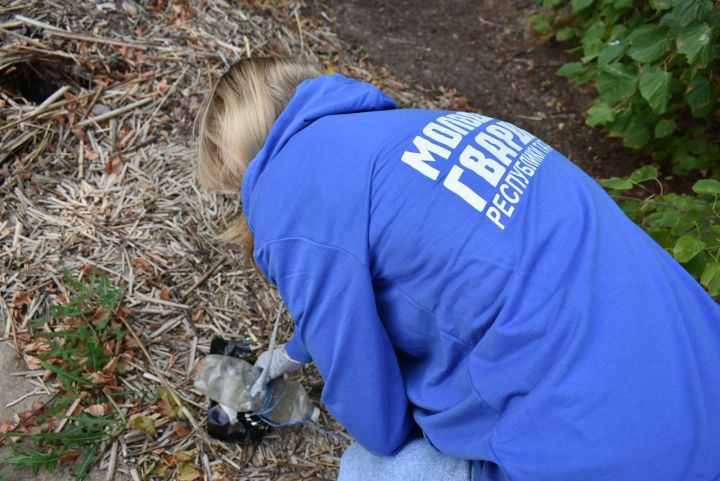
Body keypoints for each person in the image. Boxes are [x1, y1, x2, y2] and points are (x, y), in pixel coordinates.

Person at [195, 57, 720, 481]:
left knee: (367, 469)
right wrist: (294, 352)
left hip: (610, 450)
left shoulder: (287, 192)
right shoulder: (405, 129)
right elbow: (422, 263)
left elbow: (377, 423)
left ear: (236, 154)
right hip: (699, 374)